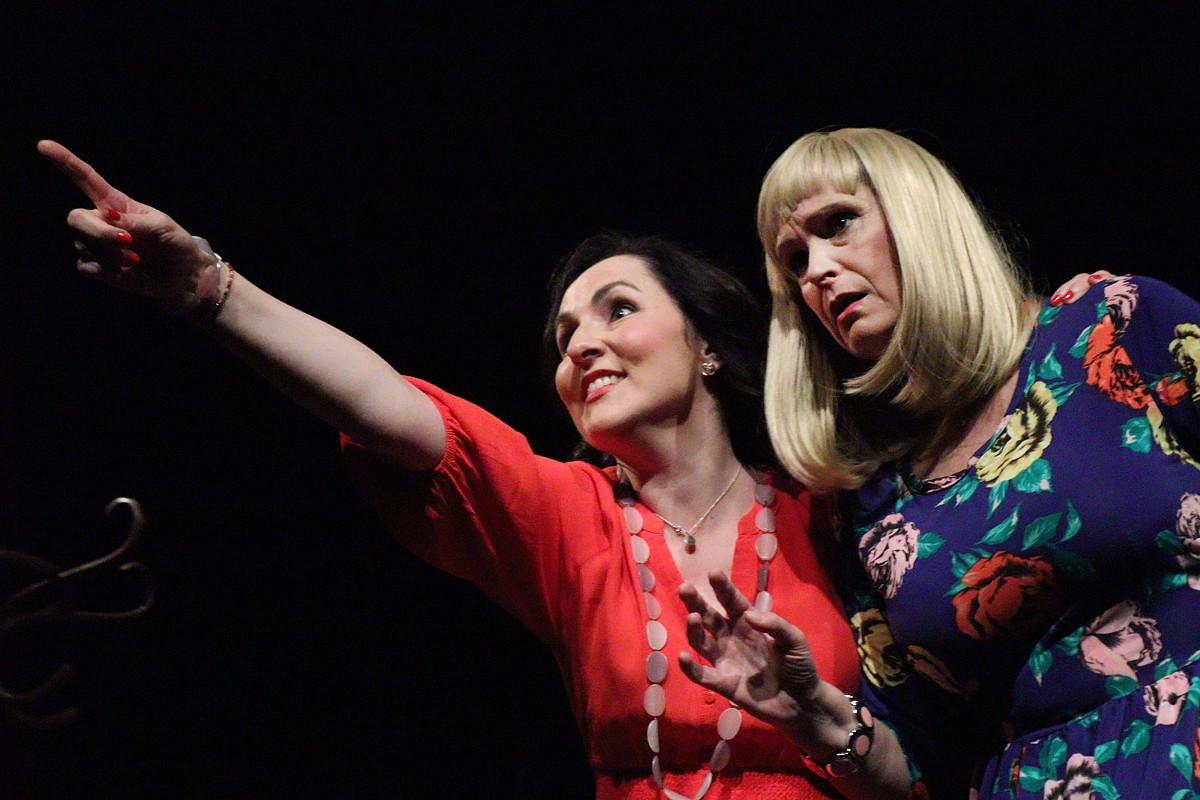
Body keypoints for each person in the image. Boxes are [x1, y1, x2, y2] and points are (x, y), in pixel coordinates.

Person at [38, 140, 910, 800]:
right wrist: (206, 286)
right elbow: (389, 410)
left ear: (708, 346)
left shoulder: (833, 505)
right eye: (564, 338)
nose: (583, 344)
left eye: (617, 310)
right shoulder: (576, 521)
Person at [685, 127, 1200, 799]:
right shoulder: (869, 506)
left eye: (837, 224)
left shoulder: (1113, 324)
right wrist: (818, 722)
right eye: (795, 260)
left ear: (917, 212)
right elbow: (923, 769)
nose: (816, 270)